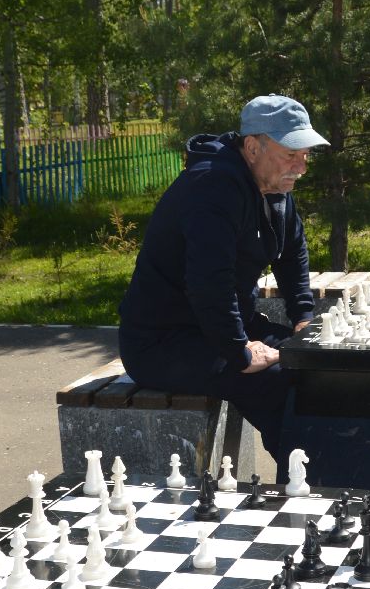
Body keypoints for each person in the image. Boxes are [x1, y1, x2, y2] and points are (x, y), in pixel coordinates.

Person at [118, 94, 328, 464]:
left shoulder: (273, 185)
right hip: (163, 342)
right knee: (277, 381)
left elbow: (292, 253)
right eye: (291, 154)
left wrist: (303, 318)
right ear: (252, 147)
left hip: (219, 327)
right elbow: (207, 283)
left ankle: (329, 472)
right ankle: (309, 487)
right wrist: (239, 351)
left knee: (315, 363)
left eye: (306, 154)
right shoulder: (212, 188)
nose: (301, 166)